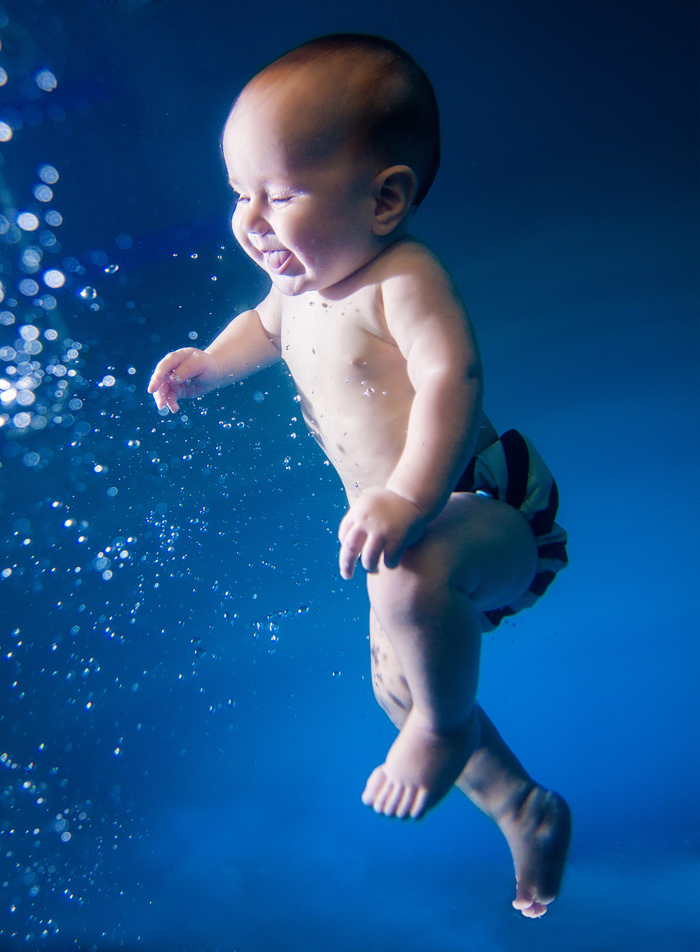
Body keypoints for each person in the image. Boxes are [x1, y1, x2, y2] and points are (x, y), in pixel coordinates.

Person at [148, 34, 571, 918]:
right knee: (394, 682)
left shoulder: (402, 281)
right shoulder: (297, 289)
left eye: (281, 195)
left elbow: (456, 380)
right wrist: (207, 364)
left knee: (411, 584)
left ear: (385, 200)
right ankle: (520, 808)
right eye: (240, 197)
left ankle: (443, 731)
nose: (253, 222)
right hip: (407, 537)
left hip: (483, 506)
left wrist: (412, 497)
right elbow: (261, 330)